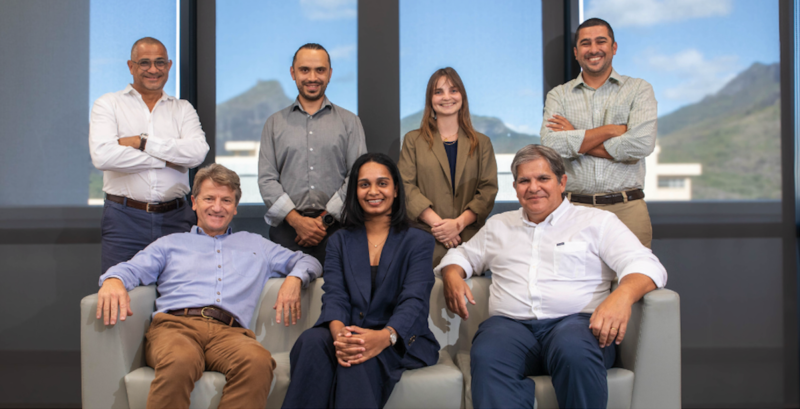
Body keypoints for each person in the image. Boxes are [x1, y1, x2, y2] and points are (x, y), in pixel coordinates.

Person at [436, 145, 667, 409]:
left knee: (573, 348)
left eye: (543, 178)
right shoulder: (499, 225)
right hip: (511, 328)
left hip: (577, 326)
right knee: (488, 352)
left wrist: (623, 296)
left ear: (562, 182)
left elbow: (647, 263)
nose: (533, 187)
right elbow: (461, 256)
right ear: (515, 187)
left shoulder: (597, 221)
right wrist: (453, 273)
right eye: (524, 181)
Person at [95, 164, 322, 409]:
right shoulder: (170, 243)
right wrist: (113, 280)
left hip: (231, 333)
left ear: (235, 207)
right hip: (176, 327)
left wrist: (295, 278)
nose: (217, 207)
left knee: (258, 361)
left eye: (226, 200)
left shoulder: (257, 245)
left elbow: (308, 260)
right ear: (194, 202)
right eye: (209, 198)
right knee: (180, 359)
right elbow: (131, 269)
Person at [282, 153, 440, 409]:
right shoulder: (339, 241)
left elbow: (415, 299)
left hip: (398, 337)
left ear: (396, 190)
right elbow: (335, 295)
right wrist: (340, 336)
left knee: (358, 358)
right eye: (364, 184)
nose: (373, 191)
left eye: (382, 183)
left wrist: (384, 337)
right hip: (349, 329)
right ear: (355, 191)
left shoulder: (419, 241)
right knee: (311, 342)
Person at [89, 37, 209, 274]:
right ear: (130, 66)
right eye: (144, 63)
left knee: (180, 298)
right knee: (120, 297)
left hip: (176, 218)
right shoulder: (108, 104)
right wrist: (168, 159)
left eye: (160, 62)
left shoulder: (183, 108)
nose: (153, 69)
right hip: (124, 219)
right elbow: (103, 157)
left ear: (169, 65)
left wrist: (141, 142)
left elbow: (197, 154)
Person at [541, 18, 657, 248]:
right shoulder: (558, 96)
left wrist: (576, 137)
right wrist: (611, 130)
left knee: (631, 280)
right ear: (576, 52)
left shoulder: (639, 90)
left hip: (628, 210)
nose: (593, 49)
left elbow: (641, 146)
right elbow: (551, 145)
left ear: (614, 48)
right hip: (575, 210)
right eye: (586, 43)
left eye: (600, 41)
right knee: (576, 282)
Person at [259, 43, 367, 265]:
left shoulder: (350, 122)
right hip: (286, 232)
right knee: (286, 298)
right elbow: (267, 180)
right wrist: (297, 221)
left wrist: (324, 221)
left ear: (329, 74)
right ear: (293, 73)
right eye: (304, 70)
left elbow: (358, 177)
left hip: (338, 230)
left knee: (338, 297)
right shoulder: (274, 124)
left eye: (320, 70)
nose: (312, 77)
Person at [398, 67, 498, 266]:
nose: (446, 97)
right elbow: (406, 187)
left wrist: (458, 224)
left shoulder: (482, 143)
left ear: (462, 96)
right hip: (424, 237)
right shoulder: (413, 140)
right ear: (430, 99)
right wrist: (440, 227)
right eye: (438, 92)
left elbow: (487, 191)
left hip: (468, 239)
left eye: (453, 90)